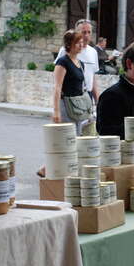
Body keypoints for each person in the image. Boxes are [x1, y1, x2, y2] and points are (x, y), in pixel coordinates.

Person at [37, 30, 86, 178]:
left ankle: (50, 169)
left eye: (81, 42)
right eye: (77, 42)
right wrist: (56, 110)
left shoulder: (80, 63)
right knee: (65, 140)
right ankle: (48, 169)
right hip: (66, 105)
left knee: (74, 140)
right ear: (69, 44)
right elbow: (57, 87)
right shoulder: (63, 62)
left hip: (77, 106)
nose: (81, 44)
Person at [56, 19, 100, 103]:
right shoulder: (65, 50)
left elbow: (92, 78)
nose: (87, 35)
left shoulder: (93, 52)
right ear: (76, 33)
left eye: (89, 32)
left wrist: (98, 100)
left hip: (87, 96)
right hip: (69, 96)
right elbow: (57, 78)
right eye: (84, 32)